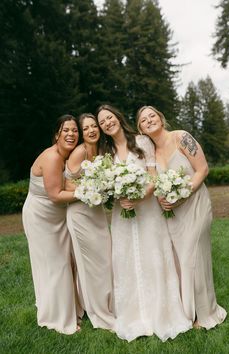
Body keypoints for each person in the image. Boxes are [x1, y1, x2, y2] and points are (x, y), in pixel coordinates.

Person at [96, 104, 192, 342]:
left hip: (147, 209)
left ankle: (161, 312)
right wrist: (119, 195)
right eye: (102, 122)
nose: (107, 123)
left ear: (118, 117)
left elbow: (153, 177)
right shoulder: (104, 153)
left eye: (110, 118)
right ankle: (133, 314)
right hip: (123, 213)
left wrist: (139, 197)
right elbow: (105, 184)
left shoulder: (142, 142)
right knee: (126, 259)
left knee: (153, 255)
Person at [136, 105, 227, 329]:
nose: (149, 120)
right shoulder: (151, 153)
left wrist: (182, 195)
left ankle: (205, 314)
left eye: (152, 116)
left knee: (192, 258)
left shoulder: (181, 137)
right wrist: (163, 200)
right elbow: (155, 184)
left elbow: (202, 170)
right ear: (140, 128)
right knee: (181, 261)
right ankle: (187, 311)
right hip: (173, 214)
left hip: (195, 205)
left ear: (161, 117)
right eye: (144, 120)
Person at [22, 114, 82, 334]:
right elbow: (56, 195)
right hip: (41, 217)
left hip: (58, 216)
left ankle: (69, 309)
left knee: (66, 261)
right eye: (66, 130)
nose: (71, 134)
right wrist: (87, 192)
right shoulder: (53, 157)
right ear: (57, 134)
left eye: (75, 130)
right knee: (55, 265)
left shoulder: (69, 157)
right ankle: (57, 318)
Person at [65, 113, 115, 331]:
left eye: (94, 126)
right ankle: (96, 309)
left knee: (105, 259)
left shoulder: (103, 151)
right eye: (86, 129)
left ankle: (106, 302)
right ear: (82, 133)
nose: (92, 130)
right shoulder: (79, 152)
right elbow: (67, 186)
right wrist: (90, 190)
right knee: (90, 264)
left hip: (97, 212)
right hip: (80, 214)